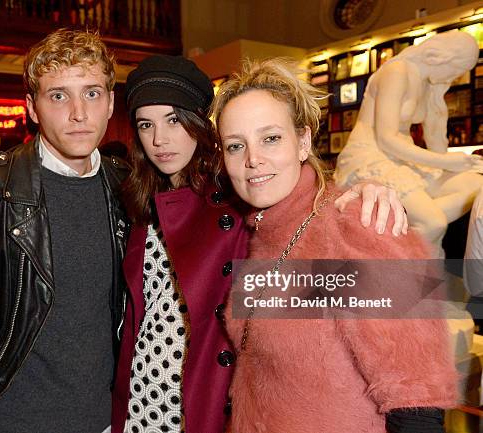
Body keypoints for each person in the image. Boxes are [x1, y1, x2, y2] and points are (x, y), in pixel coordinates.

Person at [112, 55, 410, 433]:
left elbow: (298, 205)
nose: (160, 139)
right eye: (145, 124)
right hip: (143, 394)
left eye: (174, 119)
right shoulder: (140, 202)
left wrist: (366, 192)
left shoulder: (239, 201)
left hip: (201, 401)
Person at [212, 58, 457, 433]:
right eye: (235, 145)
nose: (252, 159)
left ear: (303, 141)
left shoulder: (357, 225)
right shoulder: (260, 233)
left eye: (271, 138)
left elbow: (416, 399)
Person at [0, 29, 129, 433]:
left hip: (105, 417)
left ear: (109, 104)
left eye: (91, 93)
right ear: (32, 109)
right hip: (12, 418)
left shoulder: (125, 186)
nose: (78, 113)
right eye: (58, 96)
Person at [334, 31, 483, 256]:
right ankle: (397, 263)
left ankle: (395, 233)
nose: (455, 77)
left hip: (404, 159)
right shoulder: (397, 71)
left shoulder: (429, 86)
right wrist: (446, 161)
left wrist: (462, 165)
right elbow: (386, 139)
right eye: (457, 70)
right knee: (434, 223)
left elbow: (436, 143)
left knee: (475, 184)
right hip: (371, 157)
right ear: (443, 57)